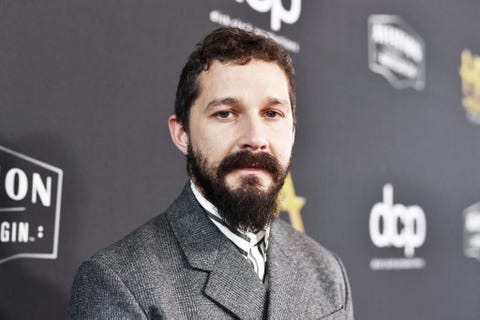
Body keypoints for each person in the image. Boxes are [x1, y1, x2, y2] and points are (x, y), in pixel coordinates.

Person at [69, 27, 354, 320]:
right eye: (226, 113)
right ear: (182, 134)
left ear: (293, 132)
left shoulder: (327, 271)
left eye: (272, 114)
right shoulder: (120, 282)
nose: (255, 138)